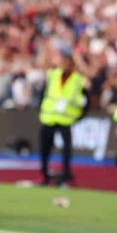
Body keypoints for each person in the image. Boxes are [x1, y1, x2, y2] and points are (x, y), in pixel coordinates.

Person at [38, 52, 87, 186]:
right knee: (45, 148)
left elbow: (84, 99)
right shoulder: (52, 75)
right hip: (48, 117)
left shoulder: (78, 80)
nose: (65, 65)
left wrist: (79, 116)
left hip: (66, 119)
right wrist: (40, 110)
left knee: (66, 149)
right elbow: (43, 93)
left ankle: (66, 174)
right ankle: (45, 174)